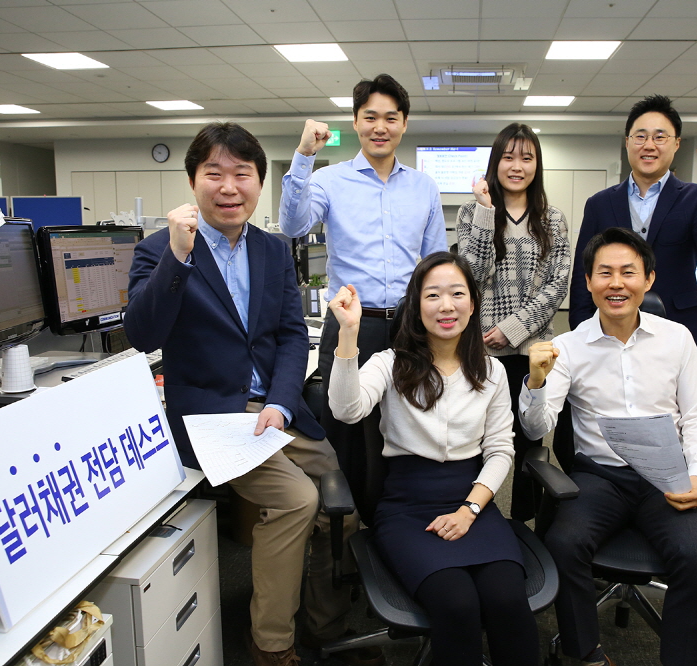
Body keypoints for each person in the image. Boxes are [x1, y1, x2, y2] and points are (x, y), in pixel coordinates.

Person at [125, 122, 376, 666]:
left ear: (260, 182)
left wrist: (282, 403)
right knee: (297, 500)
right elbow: (143, 334)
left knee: (340, 503)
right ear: (192, 181)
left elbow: (289, 335)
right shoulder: (158, 250)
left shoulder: (272, 249)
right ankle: (271, 644)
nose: (228, 187)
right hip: (213, 420)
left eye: (242, 174)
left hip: (274, 411)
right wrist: (177, 258)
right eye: (214, 174)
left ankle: (324, 627)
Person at [328, 252, 539, 666]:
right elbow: (346, 410)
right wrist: (348, 334)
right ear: (416, 305)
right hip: (407, 508)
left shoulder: (492, 372)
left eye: (457, 294)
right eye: (433, 295)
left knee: (507, 598)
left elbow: (500, 450)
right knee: (456, 602)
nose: (446, 306)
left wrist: (469, 509)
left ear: (473, 304)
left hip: (473, 502)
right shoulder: (389, 364)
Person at [521, 228, 697, 666]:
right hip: (600, 478)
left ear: (648, 279)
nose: (616, 283)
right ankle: (585, 653)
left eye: (628, 272)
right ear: (588, 282)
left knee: (695, 555)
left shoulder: (677, 338)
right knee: (564, 543)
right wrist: (535, 380)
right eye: (604, 273)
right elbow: (536, 427)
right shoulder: (567, 347)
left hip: (666, 475)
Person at [279, 73, 447, 494]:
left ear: (404, 123)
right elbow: (293, 225)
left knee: (411, 422)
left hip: (410, 326)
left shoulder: (424, 187)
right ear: (355, 122)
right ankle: (348, 521)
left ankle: (400, 513)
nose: (380, 127)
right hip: (351, 325)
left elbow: (436, 266)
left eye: (390, 118)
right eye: (370, 117)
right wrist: (304, 155)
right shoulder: (329, 180)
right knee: (347, 432)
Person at [457, 122, 571, 521]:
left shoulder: (552, 219)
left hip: (531, 352)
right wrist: (486, 212)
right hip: (482, 350)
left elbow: (558, 284)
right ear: (495, 162)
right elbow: (471, 274)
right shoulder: (472, 212)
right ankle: (471, 516)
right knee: (476, 438)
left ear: (537, 165)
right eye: (508, 157)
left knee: (528, 444)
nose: (517, 166)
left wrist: (513, 328)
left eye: (527, 158)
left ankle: (524, 525)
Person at [568, 94, 697, 359]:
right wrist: (580, 329)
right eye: (640, 136)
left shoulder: (695, 197)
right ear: (627, 142)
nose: (649, 145)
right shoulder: (600, 203)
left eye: (660, 137)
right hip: (611, 329)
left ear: (676, 143)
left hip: (678, 327)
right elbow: (583, 272)